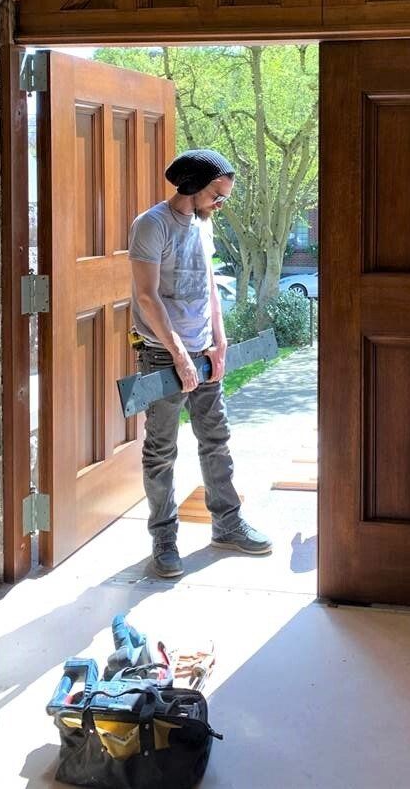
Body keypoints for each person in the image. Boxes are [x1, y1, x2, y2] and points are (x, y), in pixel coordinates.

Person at [128, 147, 272, 577]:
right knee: (161, 452)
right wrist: (178, 355)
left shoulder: (202, 225)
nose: (219, 204)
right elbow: (147, 297)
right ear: (192, 187)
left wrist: (220, 341)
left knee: (216, 441)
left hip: (205, 355)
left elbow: (208, 284)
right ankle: (165, 541)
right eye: (216, 195)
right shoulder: (151, 227)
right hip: (161, 355)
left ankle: (227, 525)